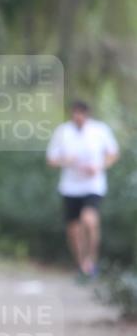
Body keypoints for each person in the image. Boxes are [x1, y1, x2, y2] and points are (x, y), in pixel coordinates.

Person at [46, 100, 119, 278]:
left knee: (89, 220)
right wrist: (66, 161)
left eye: (80, 114)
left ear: (87, 114)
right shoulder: (63, 132)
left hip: (93, 185)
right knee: (74, 229)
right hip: (70, 187)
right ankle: (81, 265)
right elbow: (51, 159)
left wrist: (99, 166)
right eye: (74, 114)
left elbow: (113, 154)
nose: (77, 117)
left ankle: (91, 261)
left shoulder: (100, 130)